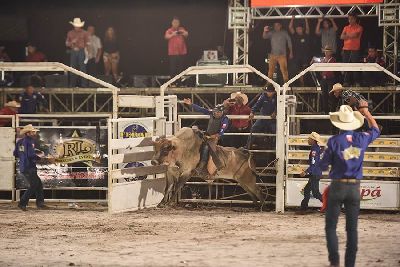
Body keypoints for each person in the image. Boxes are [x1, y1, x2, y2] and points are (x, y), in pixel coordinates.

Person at [318, 103, 380, 267]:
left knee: (331, 226)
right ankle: (350, 264)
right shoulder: (361, 138)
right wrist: (366, 112)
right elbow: (376, 129)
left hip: (338, 186)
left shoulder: (334, 141)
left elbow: (324, 165)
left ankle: (334, 262)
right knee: (352, 229)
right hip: (354, 187)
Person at [183, 98, 228, 176]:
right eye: (215, 112)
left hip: (215, 137)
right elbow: (201, 109)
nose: (216, 113)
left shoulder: (225, 119)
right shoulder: (211, 113)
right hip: (207, 134)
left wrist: (214, 136)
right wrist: (191, 104)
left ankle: (201, 166)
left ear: (222, 112)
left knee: (206, 148)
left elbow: (222, 130)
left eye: (218, 112)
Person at [14, 124, 54, 211]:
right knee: (34, 185)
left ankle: (40, 203)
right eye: (32, 131)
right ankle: (22, 203)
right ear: (28, 133)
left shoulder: (19, 142)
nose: (34, 133)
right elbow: (31, 155)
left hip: (24, 166)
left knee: (38, 184)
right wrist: (41, 158)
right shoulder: (30, 141)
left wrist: (24, 156)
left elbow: (16, 154)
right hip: (30, 166)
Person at [298, 132, 325, 213]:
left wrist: (306, 172)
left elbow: (314, 164)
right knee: (307, 190)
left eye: (309, 138)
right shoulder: (317, 148)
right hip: (316, 173)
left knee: (315, 193)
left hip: (314, 173)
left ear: (313, 140)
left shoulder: (314, 150)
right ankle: (303, 208)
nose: (308, 140)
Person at [340, 13, 363, 86]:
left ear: (355, 19)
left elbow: (356, 35)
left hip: (355, 50)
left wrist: (346, 36)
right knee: (346, 66)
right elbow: (341, 37)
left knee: (355, 66)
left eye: (351, 19)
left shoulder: (359, 27)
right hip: (346, 49)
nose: (350, 20)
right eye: (349, 19)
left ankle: (357, 82)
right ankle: (346, 82)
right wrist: (350, 36)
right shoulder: (346, 27)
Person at [66, 17, 89, 87]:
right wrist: (72, 42)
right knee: (73, 68)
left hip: (82, 51)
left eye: (78, 26)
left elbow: (87, 43)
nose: (77, 27)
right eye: (76, 26)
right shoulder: (70, 33)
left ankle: (84, 85)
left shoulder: (85, 33)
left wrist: (87, 52)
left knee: (82, 68)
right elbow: (67, 43)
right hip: (73, 51)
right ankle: (72, 85)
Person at [164, 17, 189, 83]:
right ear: (172, 23)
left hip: (181, 52)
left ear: (179, 23)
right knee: (173, 69)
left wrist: (182, 32)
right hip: (173, 53)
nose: (176, 24)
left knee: (180, 69)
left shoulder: (181, 29)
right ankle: (172, 83)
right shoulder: (169, 30)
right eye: (174, 22)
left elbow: (186, 34)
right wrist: (173, 34)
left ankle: (180, 83)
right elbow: (166, 36)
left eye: (177, 22)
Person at [289, 17, 311, 86]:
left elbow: (307, 29)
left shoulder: (306, 35)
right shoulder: (294, 35)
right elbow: (290, 27)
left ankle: (303, 84)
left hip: (304, 56)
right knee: (296, 71)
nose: (298, 30)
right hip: (296, 56)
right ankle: (299, 84)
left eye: (300, 29)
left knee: (304, 71)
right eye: (297, 29)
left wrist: (306, 19)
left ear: (302, 29)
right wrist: (292, 19)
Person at [320, 45, 337, 114]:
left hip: (331, 79)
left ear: (331, 53)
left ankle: (332, 110)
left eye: (328, 52)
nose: (326, 53)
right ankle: (325, 110)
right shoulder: (322, 60)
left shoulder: (333, 60)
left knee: (331, 94)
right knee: (324, 95)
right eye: (325, 52)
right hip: (323, 79)